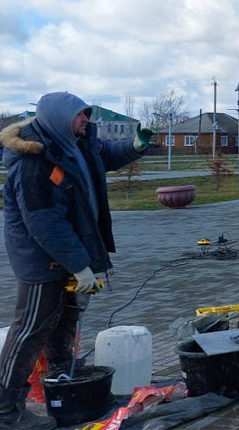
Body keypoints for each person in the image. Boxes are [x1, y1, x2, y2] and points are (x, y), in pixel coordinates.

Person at [0, 92, 152, 430]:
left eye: (87, 113)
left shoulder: (73, 142)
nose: (86, 119)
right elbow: (44, 222)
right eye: (80, 114)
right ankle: (6, 410)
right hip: (41, 261)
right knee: (31, 331)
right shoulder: (33, 162)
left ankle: (65, 387)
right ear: (57, 117)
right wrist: (80, 265)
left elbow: (105, 157)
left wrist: (136, 146)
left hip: (70, 254)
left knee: (64, 325)